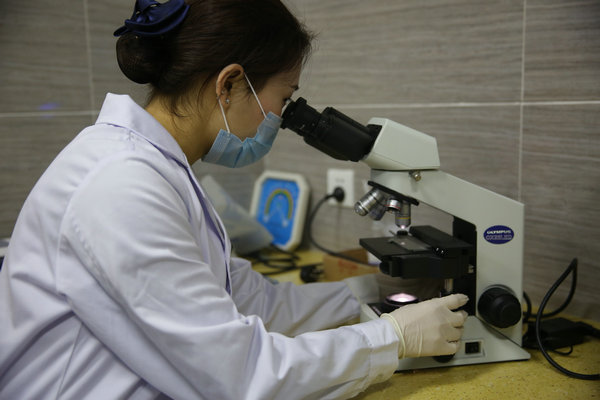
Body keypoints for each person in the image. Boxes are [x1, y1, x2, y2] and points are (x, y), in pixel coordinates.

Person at [0, 0, 468, 399]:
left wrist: (371, 294)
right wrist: (392, 338)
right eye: (283, 99)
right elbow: (242, 377)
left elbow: (250, 301)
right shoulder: (121, 185)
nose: (280, 119)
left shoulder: (159, 170)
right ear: (228, 85)